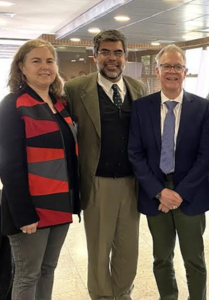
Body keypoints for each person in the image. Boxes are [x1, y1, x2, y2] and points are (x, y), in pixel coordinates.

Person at [64, 30, 147, 300]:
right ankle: (101, 296)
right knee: (99, 249)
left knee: (128, 250)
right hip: (97, 181)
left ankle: (123, 294)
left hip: (132, 183)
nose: (112, 58)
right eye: (105, 52)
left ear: (126, 56)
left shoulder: (138, 88)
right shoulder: (76, 90)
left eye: (118, 52)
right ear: (95, 55)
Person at [0, 39, 80, 299]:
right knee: (28, 274)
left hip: (60, 205)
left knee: (48, 269)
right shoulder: (12, 105)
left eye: (50, 61)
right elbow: (9, 165)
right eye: (36, 61)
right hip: (31, 209)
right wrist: (24, 214)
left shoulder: (59, 104)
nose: (45, 67)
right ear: (21, 67)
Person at [128, 44, 209, 300]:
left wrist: (179, 193)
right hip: (155, 195)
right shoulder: (142, 107)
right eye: (167, 66)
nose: (172, 71)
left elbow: (205, 154)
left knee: (194, 260)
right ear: (157, 70)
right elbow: (135, 153)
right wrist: (159, 192)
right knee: (162, 258)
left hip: (191, 195)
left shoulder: (202, 107)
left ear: (185, 71)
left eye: (177, 66)